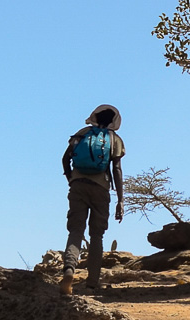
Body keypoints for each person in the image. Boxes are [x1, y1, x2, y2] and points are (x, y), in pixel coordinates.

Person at [59, 104, 125, 294]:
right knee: (97, 235)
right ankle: (92, 282)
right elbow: (117, 169)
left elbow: (65, 158)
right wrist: (120, 200)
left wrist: (71, 178)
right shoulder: (114, 139)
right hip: (101, 189)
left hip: (78, 185)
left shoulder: (82, 133)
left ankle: (69, 270)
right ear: (114, 121)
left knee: (75, 230)